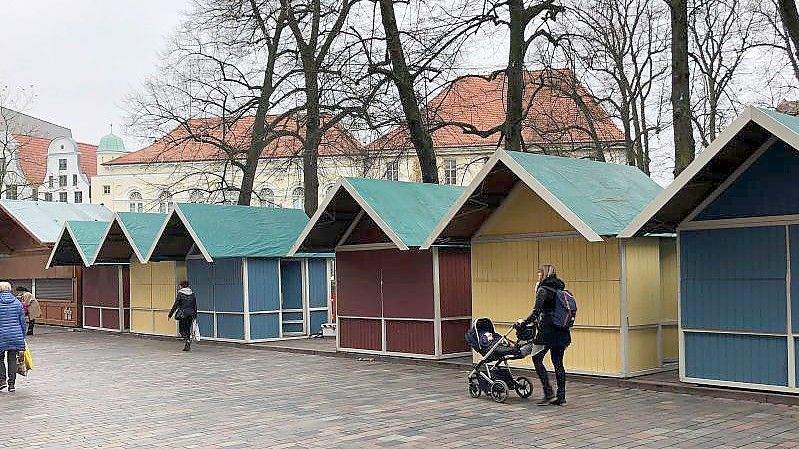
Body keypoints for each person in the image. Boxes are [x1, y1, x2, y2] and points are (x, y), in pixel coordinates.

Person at [516, 264, 570, 406]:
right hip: (562, 330)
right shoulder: (559, 288)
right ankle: (561, 396)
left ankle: (548, 393)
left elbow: (536, 312)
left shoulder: (543, 290)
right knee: (558, 362)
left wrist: (523, 322)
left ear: (544, 274)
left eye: (539, 273)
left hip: (547, 331)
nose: (538, 275)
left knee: (536, 358)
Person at [0, 282, 26, 392]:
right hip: (15, 335)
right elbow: (22, 321)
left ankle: (2, 381)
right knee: (12, 359)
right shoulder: (17, 302)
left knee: (0, 359)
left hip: (1, 335)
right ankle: (12, 385)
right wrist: (22, 335)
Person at [168, 281, 197, 352]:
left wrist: (170, 314)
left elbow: (176, 304)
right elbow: (195, 305)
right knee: (187, 328)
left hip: (183, 314)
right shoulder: (192, 294)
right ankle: (187, 342)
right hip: (191, 314)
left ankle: (187, 339)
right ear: (188, 286)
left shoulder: (180, 293)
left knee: (181, 329)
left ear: (181, 286)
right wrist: (195, 315)